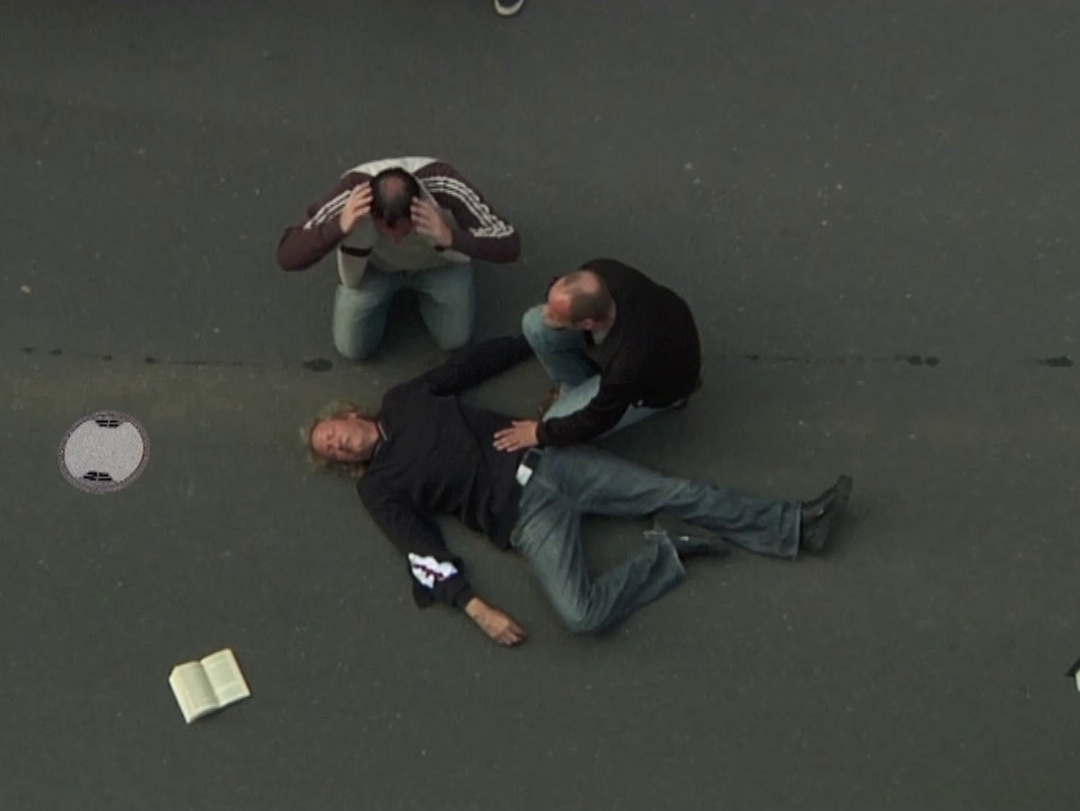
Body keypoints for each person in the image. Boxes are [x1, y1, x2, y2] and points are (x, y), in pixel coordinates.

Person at [305, 334, 853, 646]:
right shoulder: (378, 489)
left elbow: (465, 367)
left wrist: (532, 339)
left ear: (349, 414)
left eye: (332, 433)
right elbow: (420, 550)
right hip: (526, 522)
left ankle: (796, 525)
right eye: (331, 451)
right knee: (581, 615)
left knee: (675, 491)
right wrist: (475, 608)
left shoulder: (404, 401)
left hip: (552, 462)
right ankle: (670, 550)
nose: (338, 444)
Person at [276, 157, 521, 361]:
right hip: (375, 269)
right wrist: (339, 226)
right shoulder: (351, 194)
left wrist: (451, 237)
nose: (395, 239)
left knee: (455, 340)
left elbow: (510, 243)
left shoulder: (445, 184)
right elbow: (287, 255)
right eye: (385, 230)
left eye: (405, 230)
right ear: (371, 212)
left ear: (418, 206)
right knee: (352, 349)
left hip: (437, 265)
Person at [492, 258, 702, 453]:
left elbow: (598, 418)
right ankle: (577, 386)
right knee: (535, 324)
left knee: (554, 420)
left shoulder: (626, 363)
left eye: (555, 315)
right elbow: (560, 286)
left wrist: (540, 433)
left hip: (659, 383)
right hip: (654, 332)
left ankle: (674, 401)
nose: (547, 314)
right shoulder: (599, 273)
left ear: (587, 324)